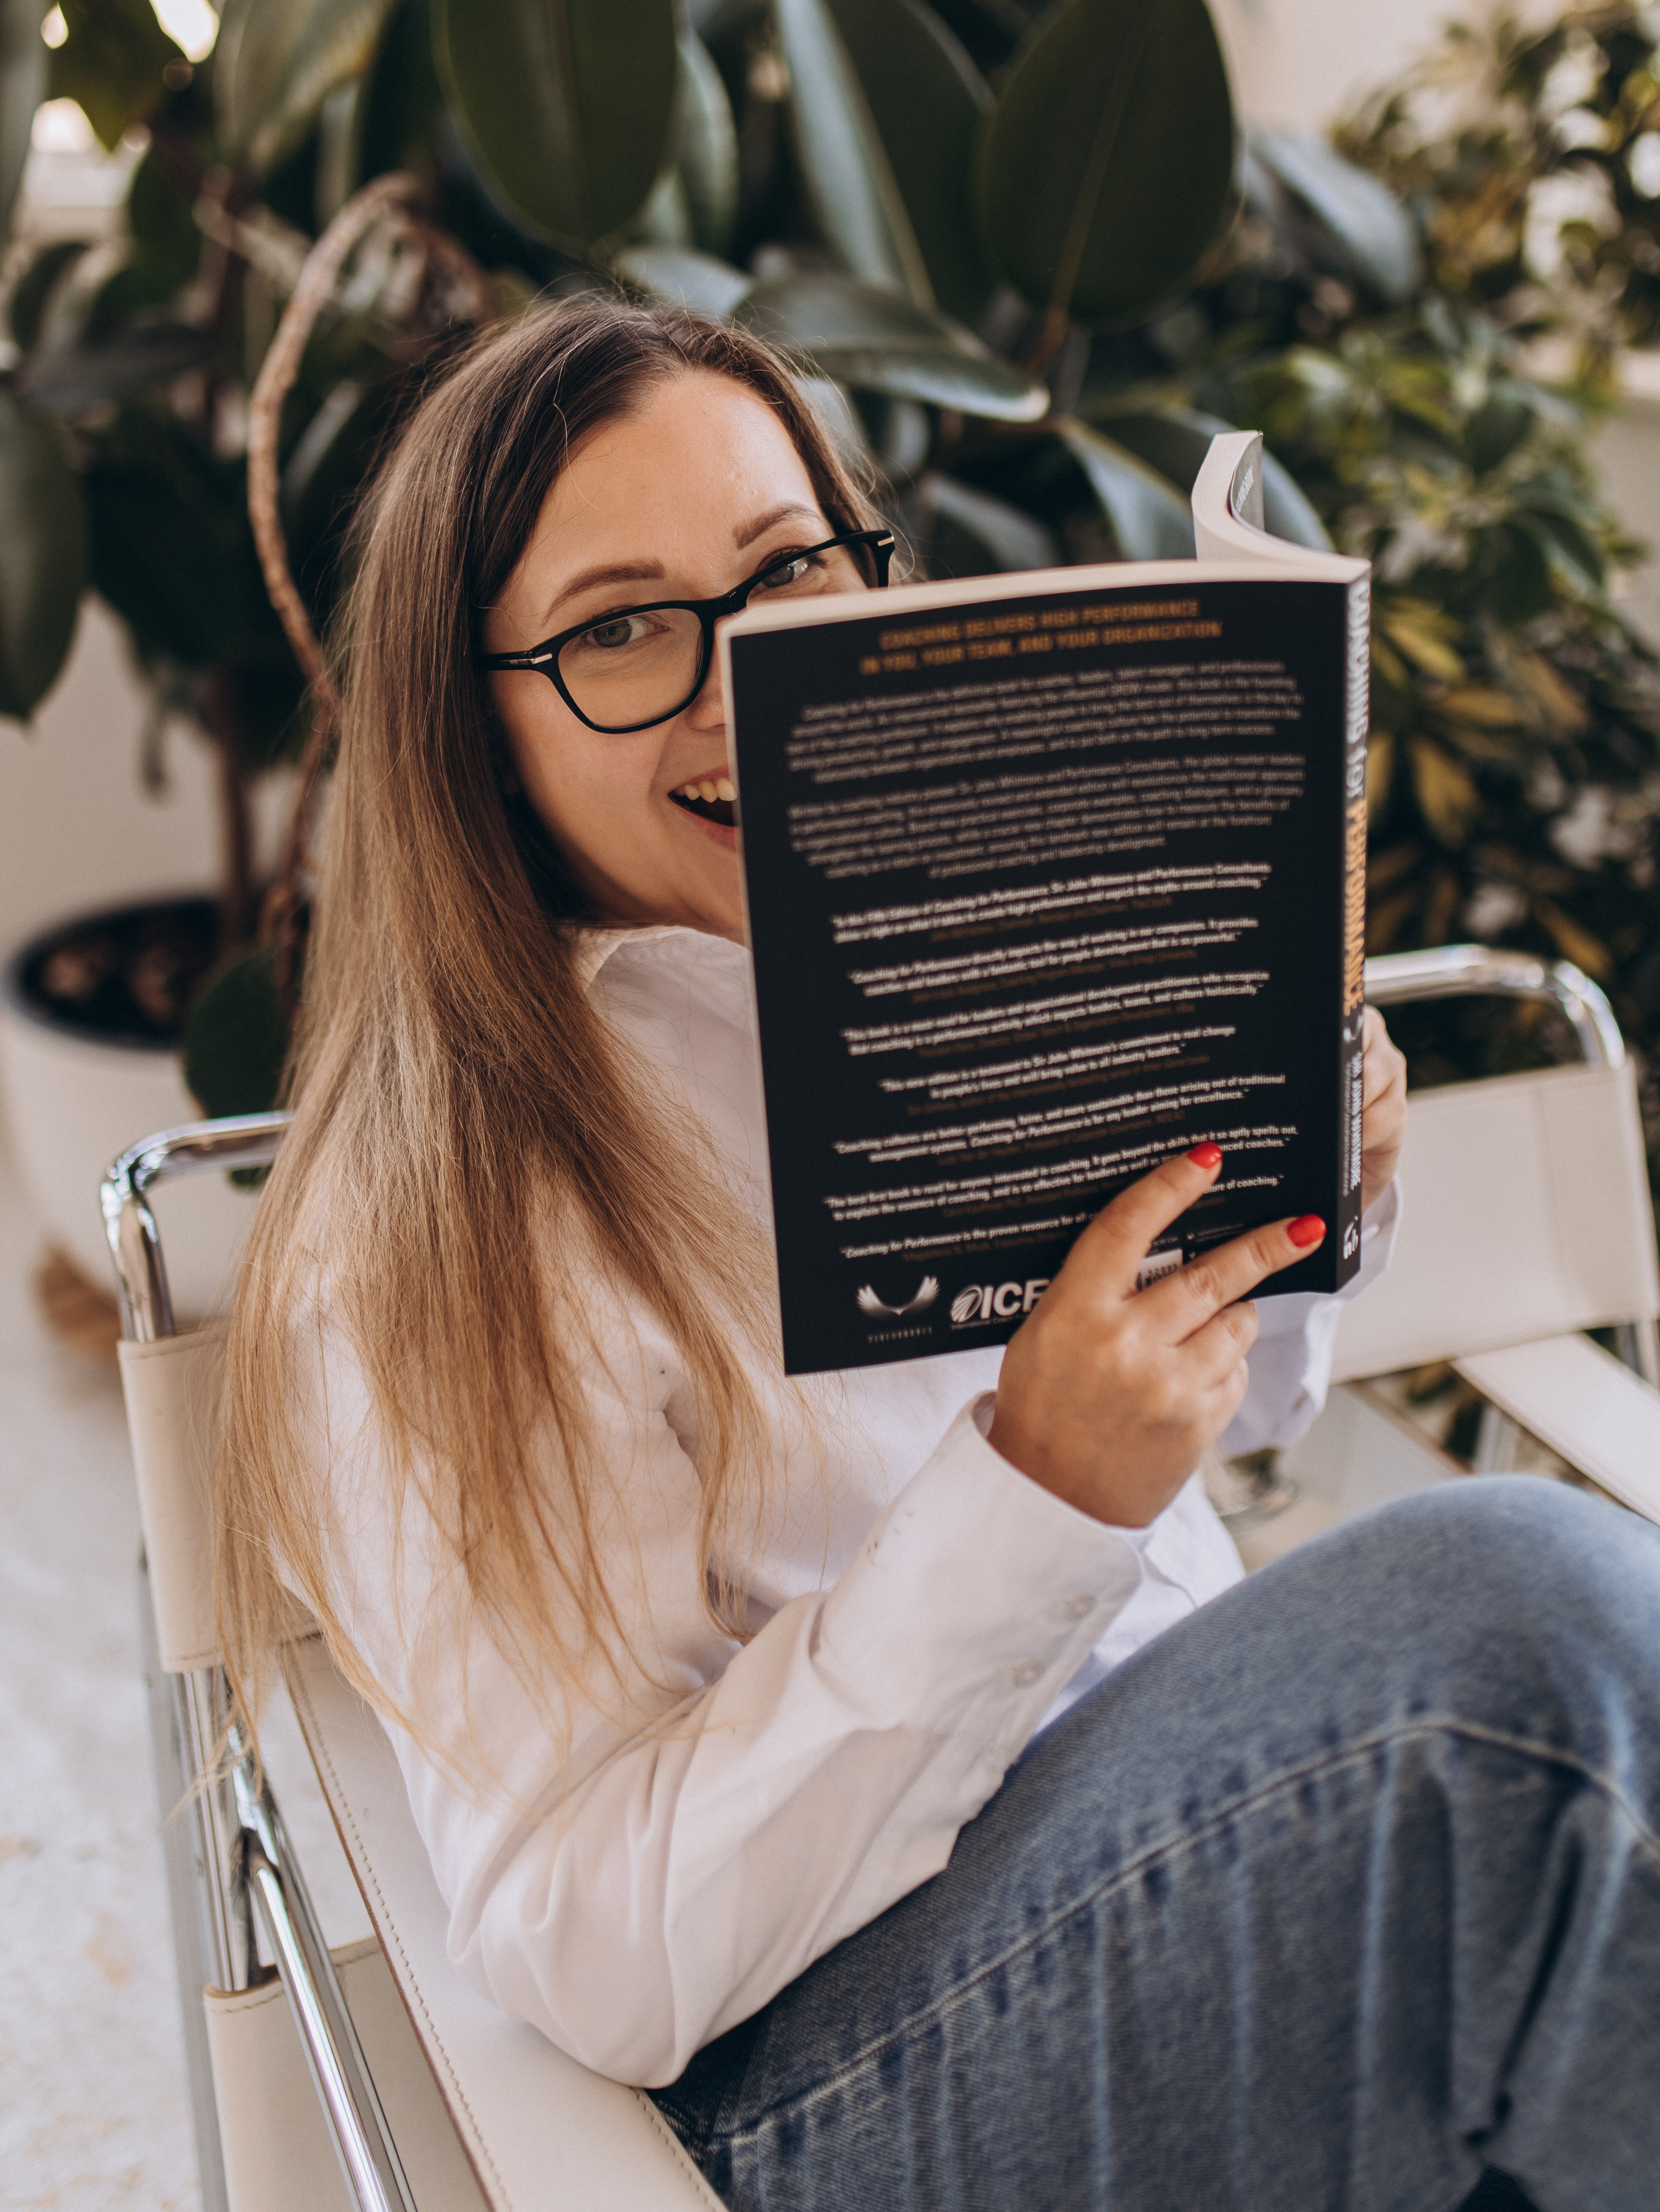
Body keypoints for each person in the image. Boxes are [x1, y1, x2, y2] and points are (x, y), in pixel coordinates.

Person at [218, 298, 1660, 2212]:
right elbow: (581, 1945)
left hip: (1146, 1816)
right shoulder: (444, 1230)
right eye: (624, 627)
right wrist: (1037, 1492)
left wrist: (1301, 1197)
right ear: (473, 725)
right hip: (819, 2073)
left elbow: (1207, 1440)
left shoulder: (963, 960)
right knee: (1522, 1640)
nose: (743, 673)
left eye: (786, 569)